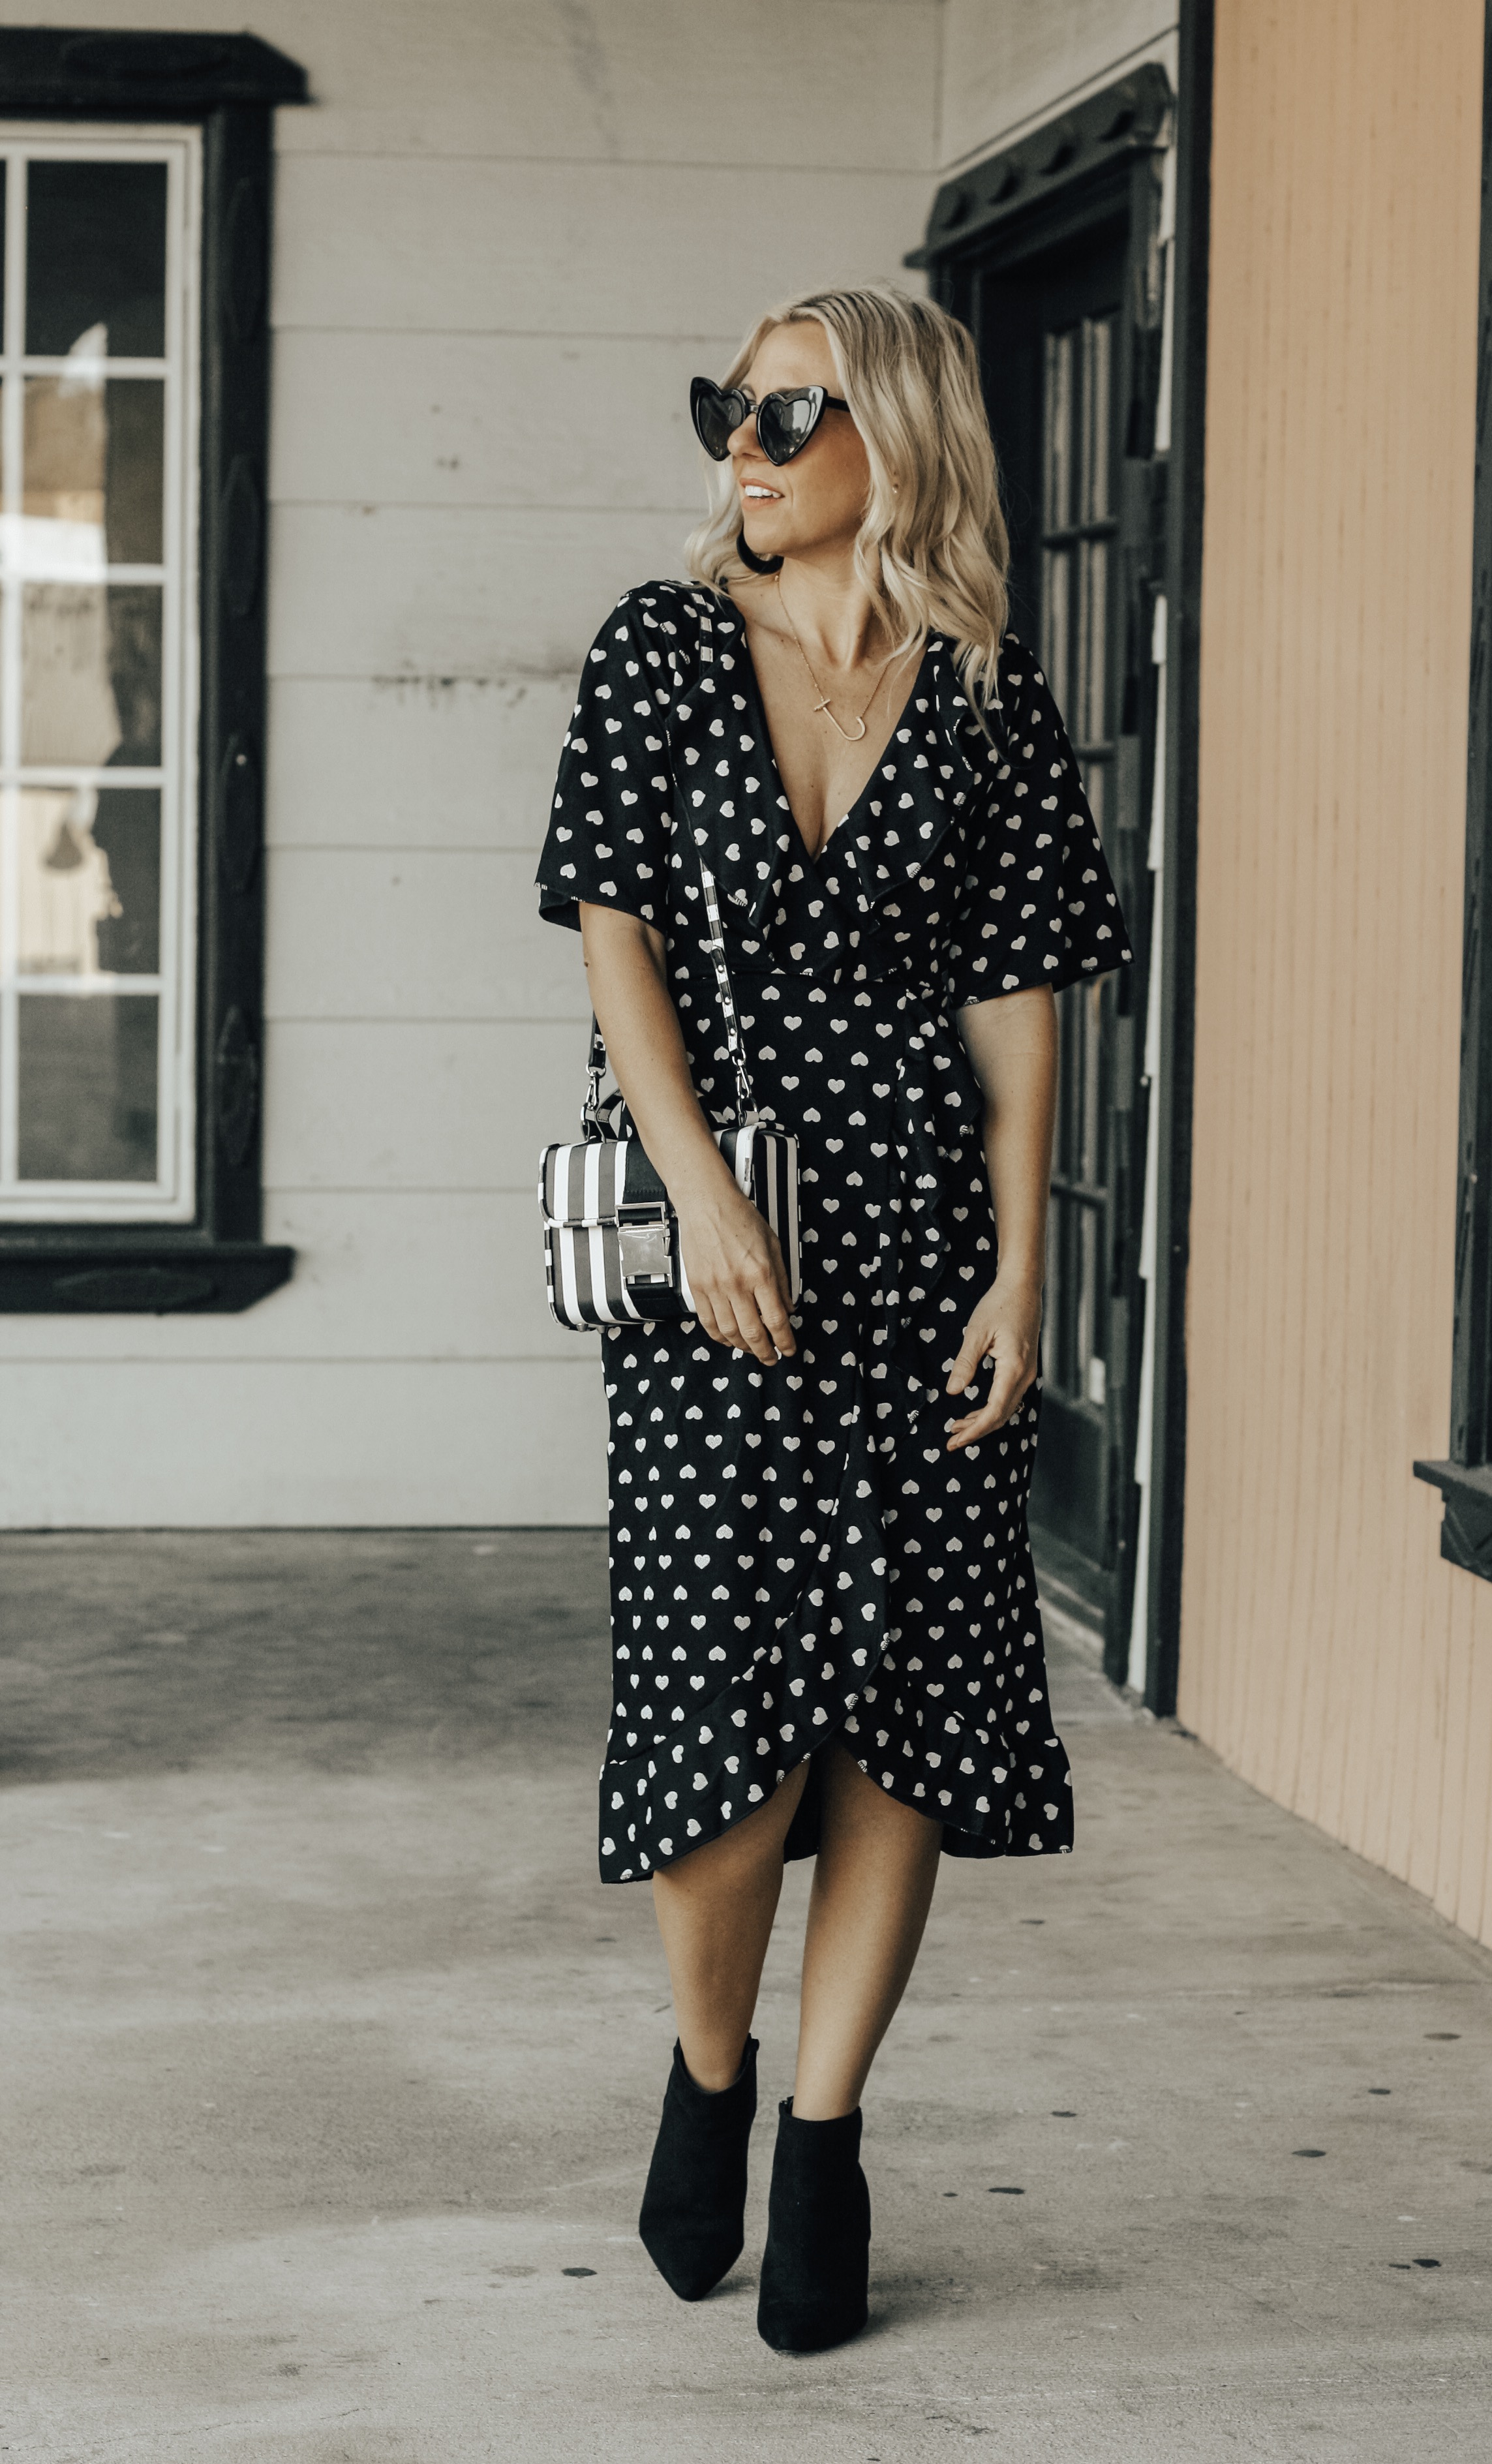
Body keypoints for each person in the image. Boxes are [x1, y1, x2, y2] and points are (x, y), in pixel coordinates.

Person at [535, 284, 1131, 2353]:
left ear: (893, 429)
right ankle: (708, 2069)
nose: (745, 447)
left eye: (786, 411)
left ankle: (824, 2134)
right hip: (724, 1252)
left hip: (913, 1241)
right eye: (728, 409)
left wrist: (1025, 1256)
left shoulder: (981, 692)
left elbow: (1021, 994)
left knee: (904, 1728)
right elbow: (612, 935)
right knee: (720, 1771)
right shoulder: (662, 648)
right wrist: (696, 1190)